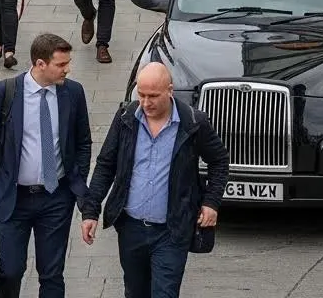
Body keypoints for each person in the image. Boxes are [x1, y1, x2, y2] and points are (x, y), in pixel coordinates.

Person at [80, 63, 229, 298]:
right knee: (135, 292)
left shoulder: (193, 123)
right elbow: (106, 165)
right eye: (141, 95)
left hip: (172, 230)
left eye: (153, 96)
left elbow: (219, 161)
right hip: (131, 229)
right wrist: (91, 211)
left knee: (165, 293)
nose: (146, 103)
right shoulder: (126, 118)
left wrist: (211, 202)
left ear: (169, 91)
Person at [0, 33, 92, 298]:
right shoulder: (5, 92)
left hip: (56, 198)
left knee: (52, 273)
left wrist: (76, 183)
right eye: (61, 64)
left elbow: (83, 142)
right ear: (40, 64)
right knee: (10, 269)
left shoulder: (74, 92)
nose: (67, 69)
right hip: (14, 198)